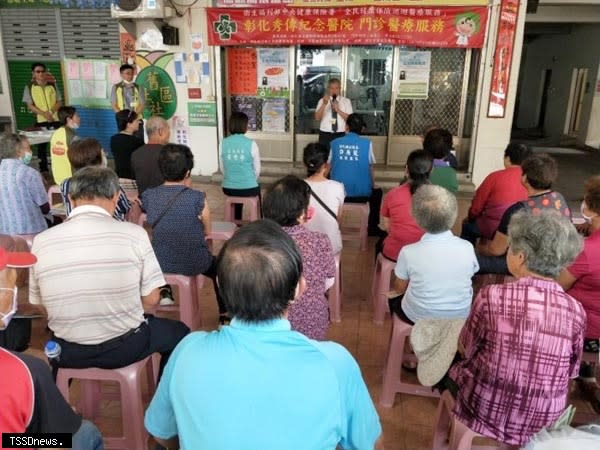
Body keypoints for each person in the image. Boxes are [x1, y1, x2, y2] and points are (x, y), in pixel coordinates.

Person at [144, 219, 383, 450]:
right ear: (299, 288)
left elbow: (162, 434)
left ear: (219, 285)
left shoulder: (187, 350)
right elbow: (369, 444)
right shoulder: (335, 363)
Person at [29, 167, 189, 377]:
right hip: (124, 348)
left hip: (66, 352)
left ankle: (58, 401)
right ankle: (162, 405)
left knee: (60, 351)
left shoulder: (41, 241)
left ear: (70, 198)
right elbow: (152, 300)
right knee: (180, 333)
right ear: (115, 197)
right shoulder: (134, 234)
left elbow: (38, 304)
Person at [448, 210, 586, 446]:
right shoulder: (576, 310)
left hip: (485, 407)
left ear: (520, 257)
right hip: (544, 419)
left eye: (510, 247)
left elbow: (466, 347)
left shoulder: (492, 296)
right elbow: (572, 370)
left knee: (451, 363)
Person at [0, 246, 104, 450]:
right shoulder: (24, 371)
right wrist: (58, 423)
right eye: (13, 284)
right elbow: (52, 445)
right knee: (86, 433)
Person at [142, 144, 226, 322]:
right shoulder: (197, 197)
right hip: (195, 262)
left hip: (160, 264)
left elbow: (149, 224)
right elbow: (208, 230)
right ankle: (224, 313)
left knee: (161, 248)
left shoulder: (149, 195)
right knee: (221, 268)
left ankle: (165, 291)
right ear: (187, 172)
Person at [389, 185, 479, 325]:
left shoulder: (409, 252)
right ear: (454, 215)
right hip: (459, 316)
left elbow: (399, 288)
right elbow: (471, 273)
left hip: (418, 316)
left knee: (393, 297)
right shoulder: (467, 247)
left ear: (416, 218)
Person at [263, 175, 336, 340]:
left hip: (269, 326)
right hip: (313, 324)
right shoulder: (320, 241)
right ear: (303, 213)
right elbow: (328, 283)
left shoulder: (260, 244)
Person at [476, 153, 571, 274]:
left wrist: (481, 248)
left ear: (525, 178)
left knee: (476, 261)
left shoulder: (518, 210)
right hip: (556, 262)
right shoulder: (560, 199)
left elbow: (496, 250)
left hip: (527, 265)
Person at [461, 142, 532, 244]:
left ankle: (466, 256)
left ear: (507, 158)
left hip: (492, 227)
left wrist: (471, 218)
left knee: (467, 227)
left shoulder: (494, 177)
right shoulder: (532, 180)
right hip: (520, 230)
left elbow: (476, 207)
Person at [330, 113, 383, 236]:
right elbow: (370, 166)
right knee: (377, 192)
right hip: (362, 195)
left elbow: (328, 165)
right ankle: (372, 229)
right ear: (362, 129)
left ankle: (330, 225)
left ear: (346, 126)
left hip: (338, 195)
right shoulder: (367, 143)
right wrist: (373, 185)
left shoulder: (335, 143)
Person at [378, 149, 432, 262]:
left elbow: (388, 226)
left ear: (407, 170)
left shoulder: (393, 194)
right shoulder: (437, 196)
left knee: (379, 244)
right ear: (431, 171)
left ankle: (382, 278)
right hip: (426, 254)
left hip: (396, 252)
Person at [59, 138, 131, 221]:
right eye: (103, 152)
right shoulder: (109, 181)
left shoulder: (66, 183)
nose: (105, 155)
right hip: (110, 228)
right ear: (97, 158)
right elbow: (124, 207)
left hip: (77, 227)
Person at [0, 133, 55, 236]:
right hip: (31, 231)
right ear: (18, 151)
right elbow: (45, 207)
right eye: (28, 148)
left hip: (5, 232)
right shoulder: (29, 173)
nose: (31, 151)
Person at [303, 142, 344, 255]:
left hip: (304, 246)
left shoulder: (297, 187)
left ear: (304, 163)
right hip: (331, 245)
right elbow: (338, 220)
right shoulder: (338, 187)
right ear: (326, 164)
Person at [220, 111, 261, 222]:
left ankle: (236, 221)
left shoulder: (223, 143)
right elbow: (257, 169)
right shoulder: (251, 143)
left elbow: (223, 168)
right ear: (244, 125)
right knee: (256, 189)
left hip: (228, 188)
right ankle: (257, 222)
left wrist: (231, 179)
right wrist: (251, 181)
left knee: (237, 193)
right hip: (249, 188)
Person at [22, 62, 62, 173]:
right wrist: (44, 114)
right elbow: (30, 105)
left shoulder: (52, 85)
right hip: (40, 121)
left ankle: (58, 168)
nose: (40, 74)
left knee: (57, 144)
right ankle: (44, 171)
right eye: (37, 71)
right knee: (42, 148)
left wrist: (50, 112)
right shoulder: (29, 87)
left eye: (42, 71)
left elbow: (59, 101)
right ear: (33, 73)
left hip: (55, 120)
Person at [131, 116, 170, 196]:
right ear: (160, 131)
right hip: (166, 202)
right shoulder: (170, 153)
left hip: (144, 202)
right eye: (168, 130)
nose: (169, 133)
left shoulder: (135, 154)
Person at [315, 78, 353, 148]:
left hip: (341, 134)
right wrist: (324, 104)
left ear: (340, 89)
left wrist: (338, 110)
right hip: (325, 134)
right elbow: (317, 118)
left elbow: (350, 119)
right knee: (324, 156)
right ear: (328, 89)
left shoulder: (346, 101)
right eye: (331, 88)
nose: (334, 90)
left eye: (336, 88)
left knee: (339, 157)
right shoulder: (322, 100)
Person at [110, 64, 145, 139]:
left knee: (138, 141)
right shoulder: (115, 87)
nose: (130, 75)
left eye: (132, 73)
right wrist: (123, 117)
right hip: (122, 121)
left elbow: (142, 104)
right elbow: (113, 105)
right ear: (121, 74)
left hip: (136, 119)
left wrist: (133, 117)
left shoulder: (139, 87)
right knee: (124, 141)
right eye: (128, 73)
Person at [50, 106, 80, 185]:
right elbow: (80, 158)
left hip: (58, 178)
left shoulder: (55, 134)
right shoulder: (73, 137)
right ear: (69, 120)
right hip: (72, 178)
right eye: (77, 116)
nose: (79, 119)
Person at [110, 109, 144, 179]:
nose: (139, 122)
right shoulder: (137, 142)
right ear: (129, 124)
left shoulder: (113, 139)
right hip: (133, 178)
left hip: (119, 178)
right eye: (136, 120)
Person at [424, 128, 458, 194]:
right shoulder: (451, 173)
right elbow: (453, 192)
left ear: (425, 146)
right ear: (448, 150)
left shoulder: (417, 167)